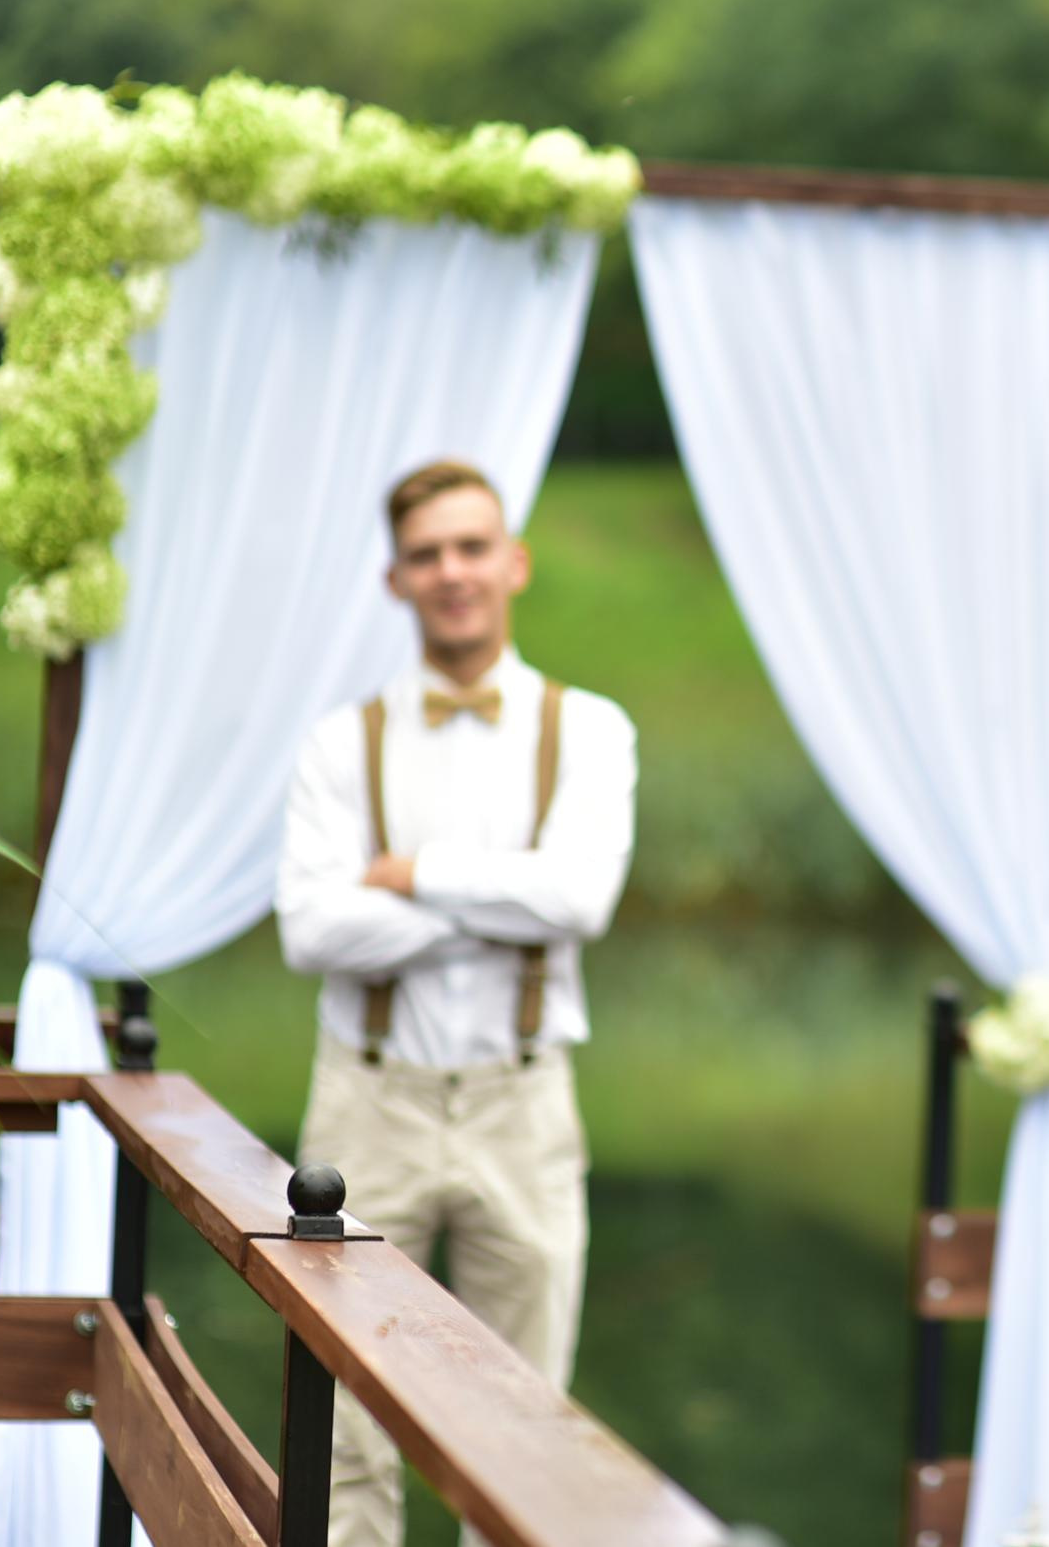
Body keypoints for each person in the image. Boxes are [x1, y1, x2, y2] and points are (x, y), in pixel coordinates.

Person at [275, 459, 637, 1547]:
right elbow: (312, 931)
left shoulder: (590, 730)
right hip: (365, 1103)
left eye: (471, 546)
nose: (452, 572)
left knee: (526, 1422)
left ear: (512, 562)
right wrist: (503, 899)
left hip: (523, 1106)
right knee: (343, 1421)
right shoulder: (342, 742)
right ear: (395, 578)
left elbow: (581, 899)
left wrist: (413, 872)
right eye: (427, 553)